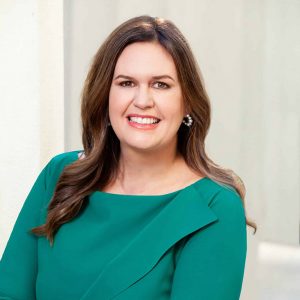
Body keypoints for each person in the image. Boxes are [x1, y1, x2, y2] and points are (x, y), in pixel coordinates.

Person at [0, 15, 256, 300]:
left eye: (161, 84)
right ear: (105, 96)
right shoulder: (61, 176)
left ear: (187, 102)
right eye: (126, 83)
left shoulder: (214, 207)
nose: (143, 100)